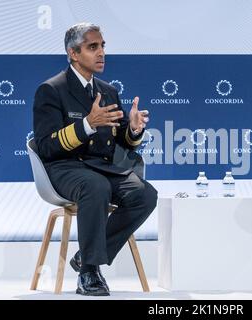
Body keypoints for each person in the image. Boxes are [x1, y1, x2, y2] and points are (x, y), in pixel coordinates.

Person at [33, 23, 158, 296]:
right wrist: (87, 124)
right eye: (93, 47)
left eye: (102, 46)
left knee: (144, 194)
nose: (101, 52)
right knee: (95, 186)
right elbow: (46, 146)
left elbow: (123, 142)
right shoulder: (51, 90)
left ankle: (83, 256)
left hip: (101, 168)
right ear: (73, 53)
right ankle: (89, 271)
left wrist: (134, 129)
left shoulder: (109, 91)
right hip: (64, 168)